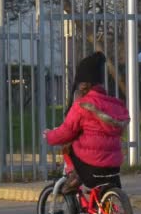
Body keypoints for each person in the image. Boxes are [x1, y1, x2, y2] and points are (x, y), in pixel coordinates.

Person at [43, 52, 130, 194]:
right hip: (113, 166)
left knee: (68, 145)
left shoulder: (82, 105)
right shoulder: (114, 104)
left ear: (82, 84)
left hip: (91, 167)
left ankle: (74, 176)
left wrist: (49, 136)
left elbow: (66, 132)